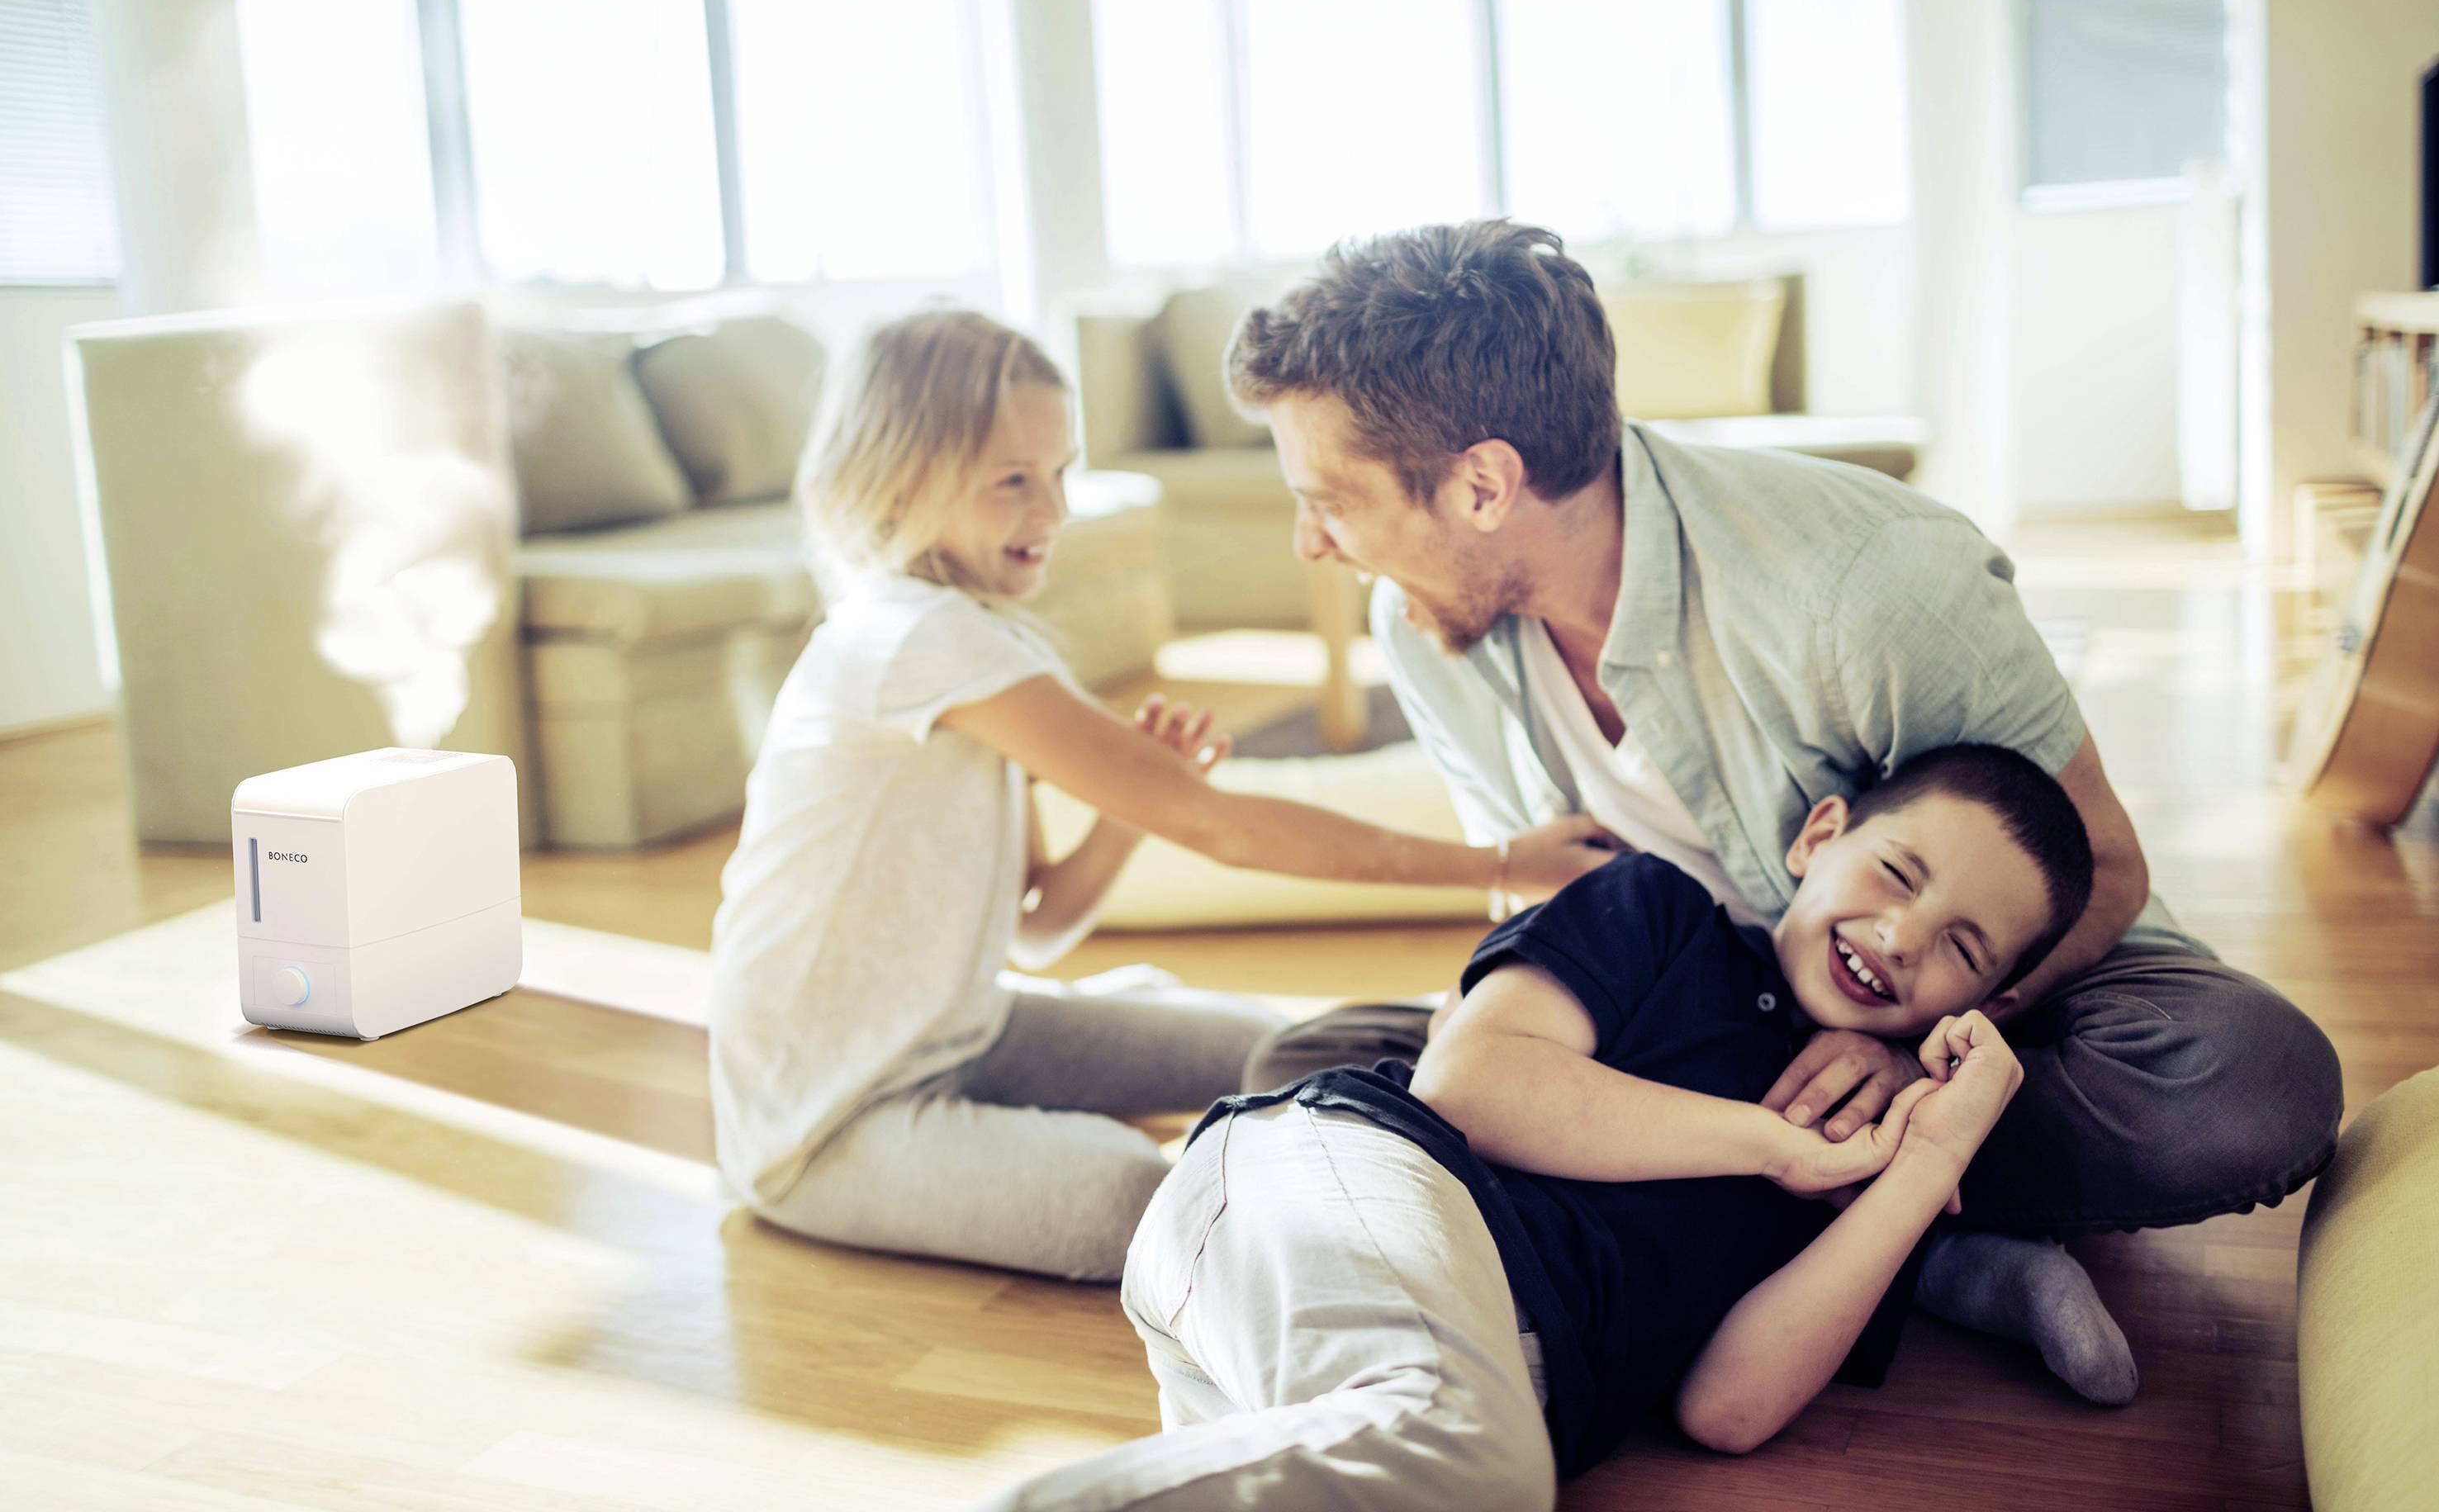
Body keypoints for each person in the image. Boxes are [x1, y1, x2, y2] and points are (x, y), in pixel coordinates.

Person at [1220, 219, 2343, 1401]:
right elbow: (1553, 917)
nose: (1312, 543)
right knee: (1306, 1068)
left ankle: (1863, 1207)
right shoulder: (1426, 629)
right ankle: (1924, 1239)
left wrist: (1908, 1050)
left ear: (1484, 484)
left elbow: (2101, 870)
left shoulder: (1866, 584)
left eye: (1329, 503)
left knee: (2247, 1083)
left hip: (1973, 992)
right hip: (1689, 1016)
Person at [709, 308, 1616, 1282]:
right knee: (1128, 1195)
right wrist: (1503, 865)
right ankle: (1524, 1241)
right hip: (827, 1121)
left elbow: (1038, 930)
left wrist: (1130, 810)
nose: (1051, 512)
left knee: (1296, 1050)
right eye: (1012, 480)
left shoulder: (970, 637)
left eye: (1059, 473)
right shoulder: (910, 637)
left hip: (965, 1032)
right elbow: (1220, 830)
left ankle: (1548, 1118)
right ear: (897, 476)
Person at [977, 744, 2092, 1511]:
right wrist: (1771, 1145)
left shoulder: (1874, 1144)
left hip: (1382, 1366)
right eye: (1895, 874)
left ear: (1983, 1005)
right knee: (1488, 1468)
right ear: (1818, 836)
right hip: (1335, 1182)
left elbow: (1729, 1409)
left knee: (1463, 1468)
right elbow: (1474, 1085)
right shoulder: (1658, 914)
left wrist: (1927, 1159)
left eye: (1959, 948)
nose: (1899, 936)